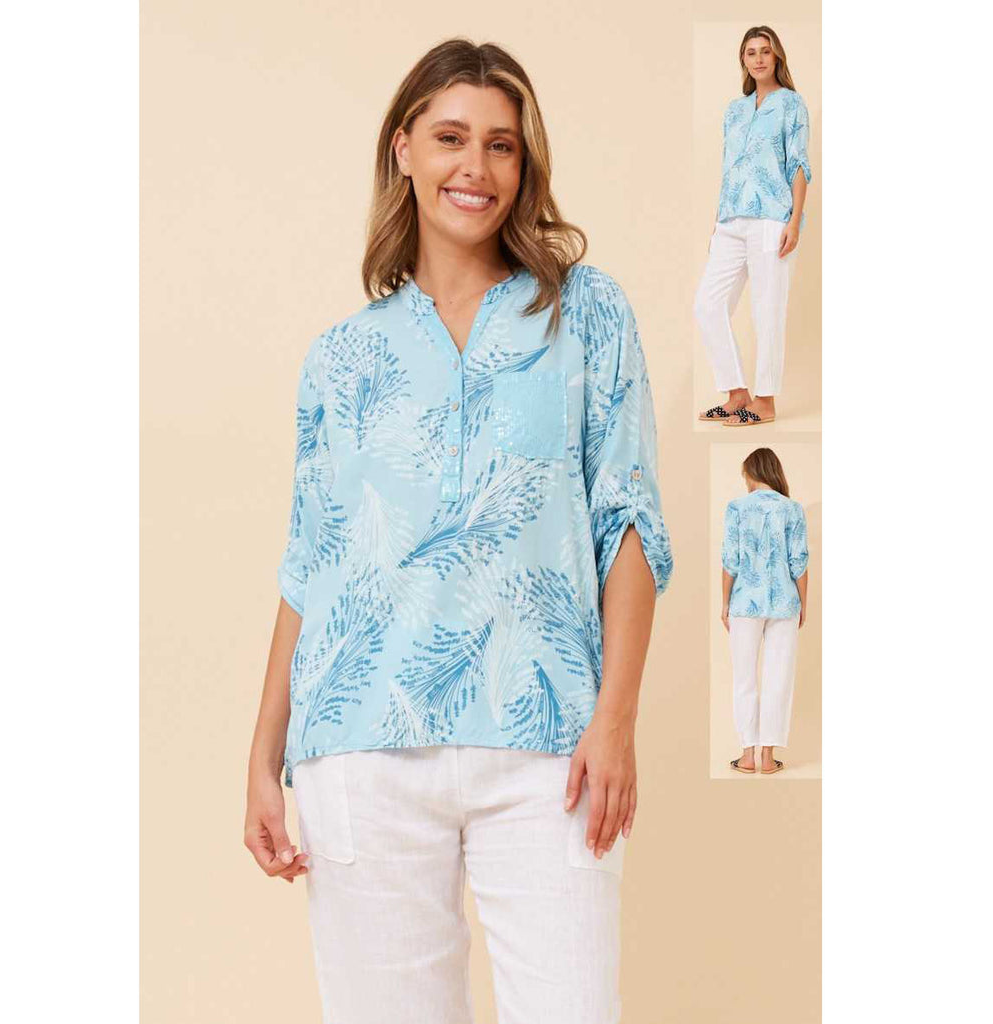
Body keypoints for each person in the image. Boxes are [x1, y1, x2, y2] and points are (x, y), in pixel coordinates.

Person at [243, 38, 673, 1024]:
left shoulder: (585, 313)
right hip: (361, 743)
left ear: (524, 165)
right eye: (449, 137)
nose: (474, 166)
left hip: (548, 742)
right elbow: (311, 562)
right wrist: (264, 757)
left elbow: (629, 521)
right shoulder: (342, 358)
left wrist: (615, 718)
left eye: (500, 144)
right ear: (402, 148)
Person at [694, 25, 812, 427]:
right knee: (708, 304)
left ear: (777, 56)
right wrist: (717, 223)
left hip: (771, 219)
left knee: (767, 311)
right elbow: (729, 168)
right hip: (731, 220)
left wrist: (794, 221)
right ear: (743, 60)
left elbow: (799, 164)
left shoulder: (791, 104)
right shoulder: (735, 110)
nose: (759, 58)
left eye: (765, 50)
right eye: (751, 52)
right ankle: (737, 393)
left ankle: (765, 401)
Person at [720, 448, 808, 774]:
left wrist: (725, 603)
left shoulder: (737, 508)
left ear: (751, 472)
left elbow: (730, 560)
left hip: (745, 603)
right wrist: (803, 603)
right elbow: (799, 561)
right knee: (778, 678)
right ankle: (768, 758)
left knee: (744, 679)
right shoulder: (793, 509)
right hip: (785, 603)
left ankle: (747, 756)